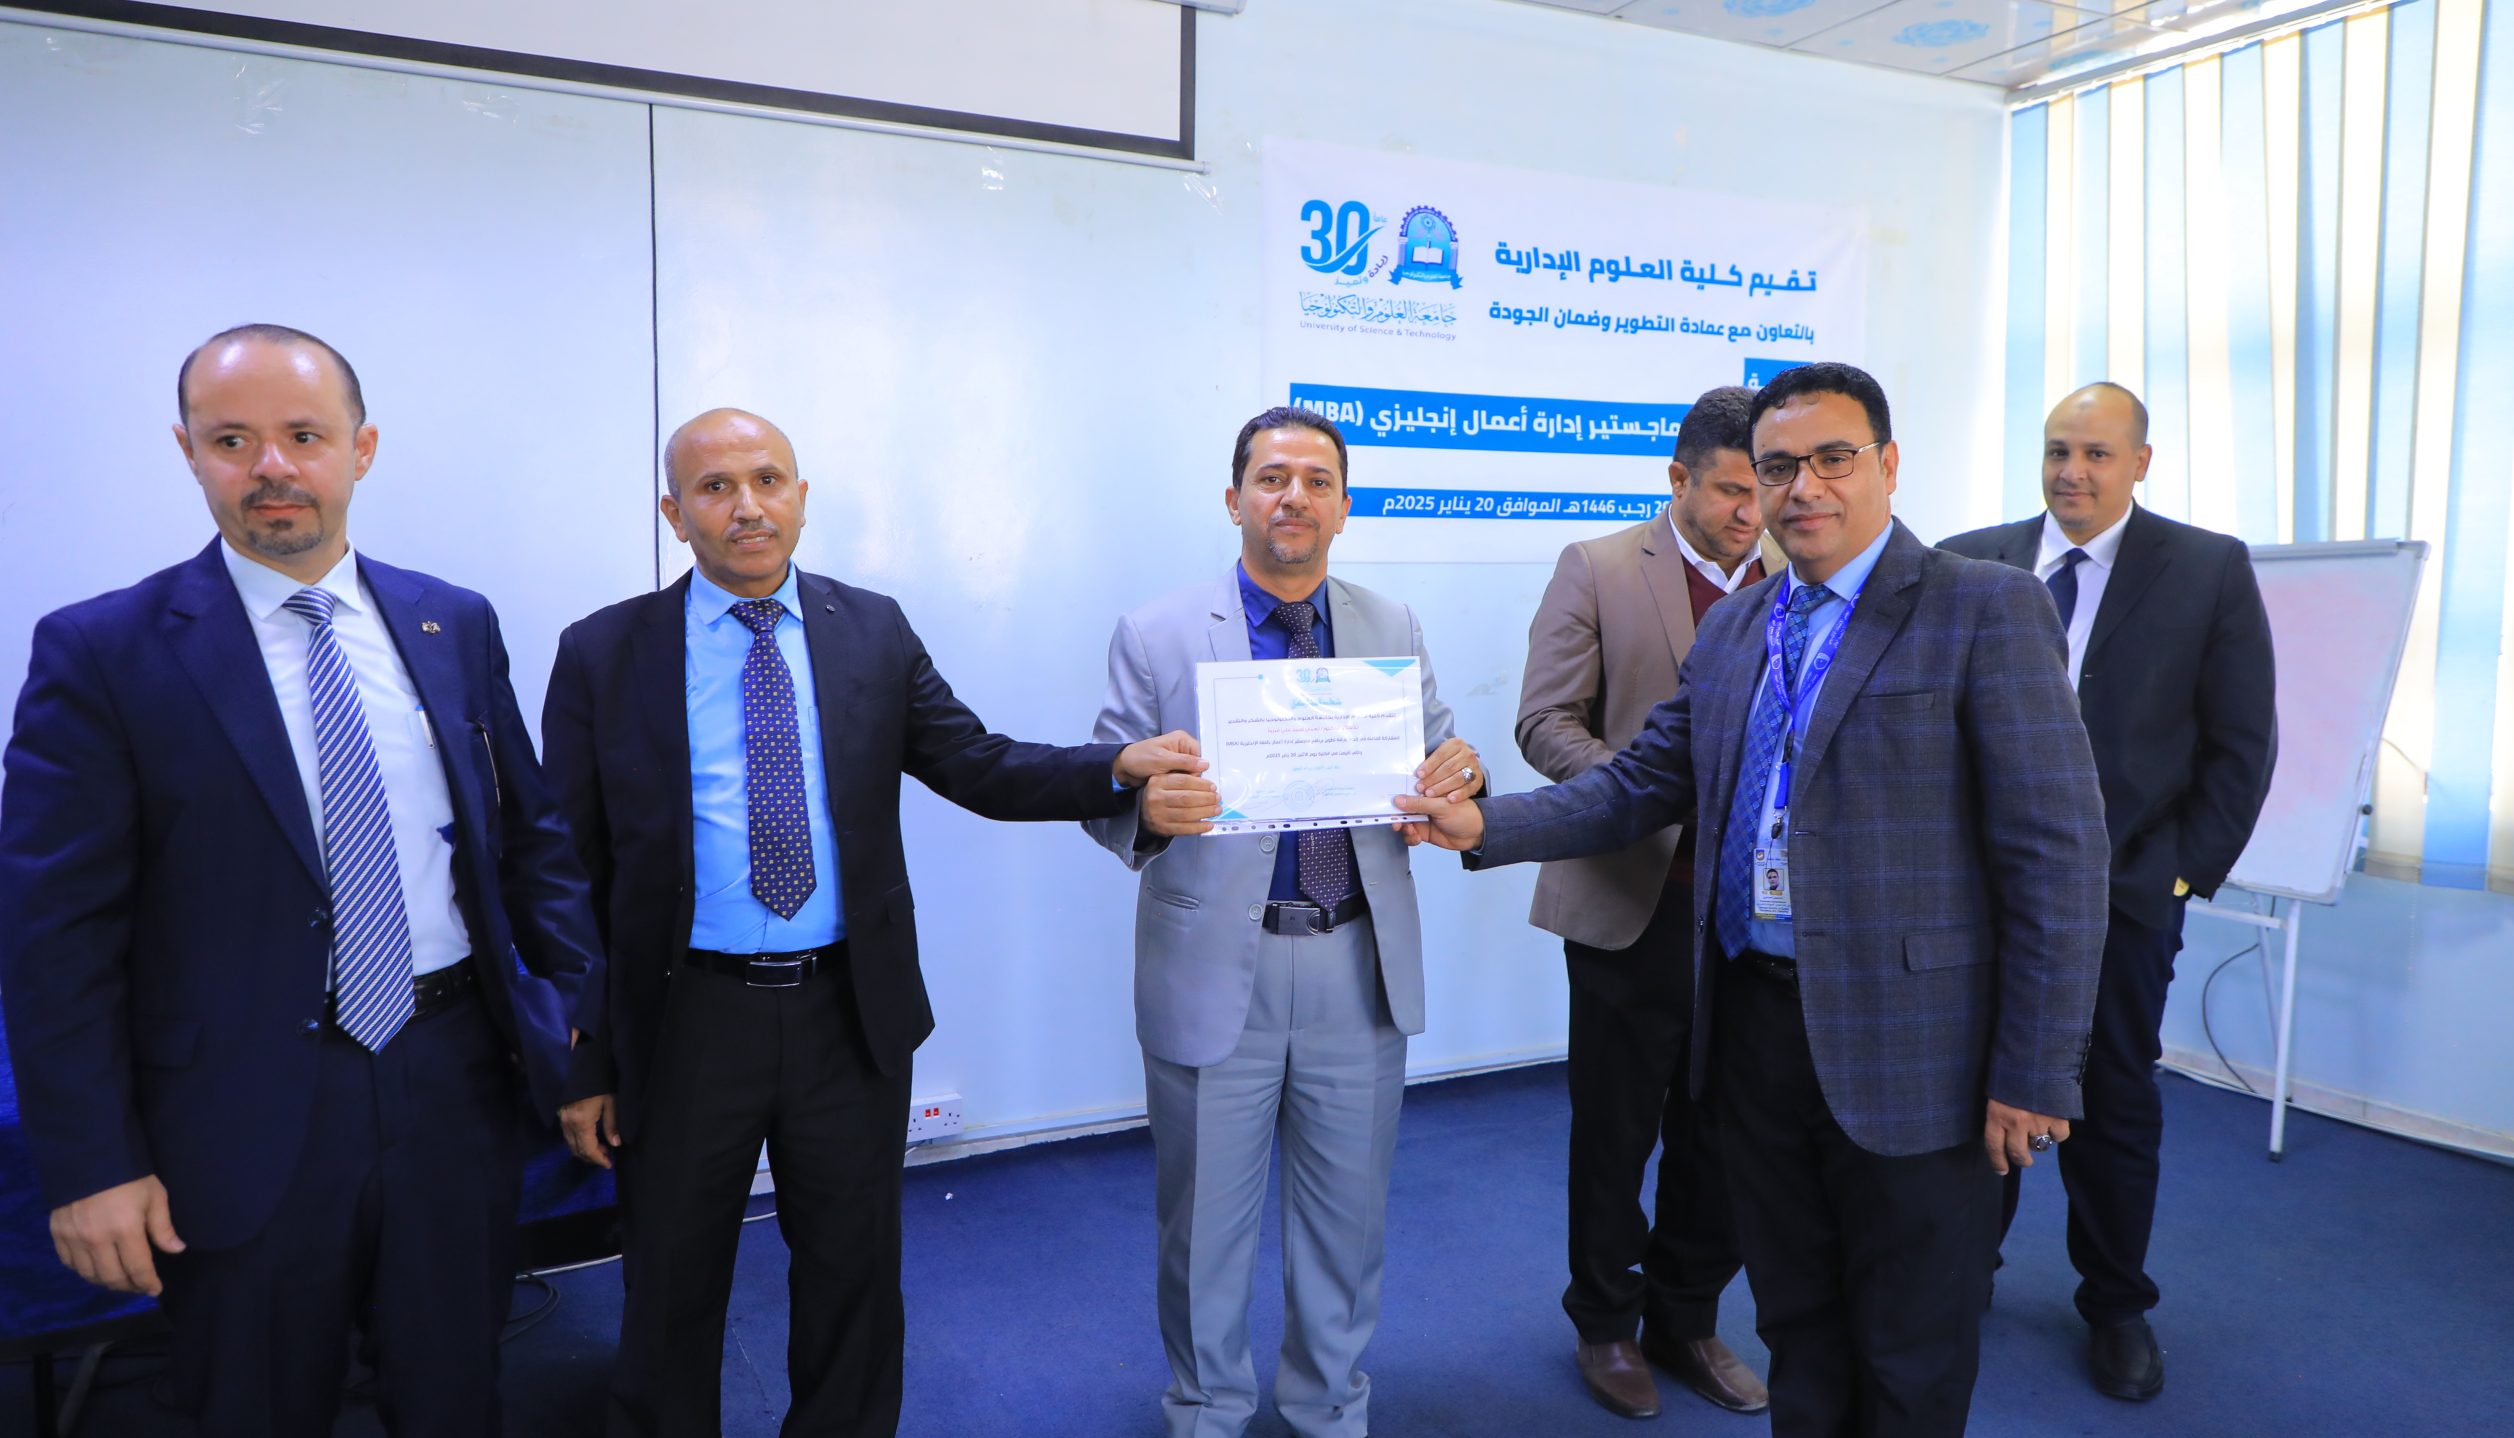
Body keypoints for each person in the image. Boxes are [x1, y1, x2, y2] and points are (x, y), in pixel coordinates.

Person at [1397, 363, 2110, 1438]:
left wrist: (2035, 1068)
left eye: (1833, 459)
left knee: (1911, 1346)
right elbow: (1642, 783)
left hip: (1917, 1049)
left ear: (1888, 465)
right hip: (1755, 1031)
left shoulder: (1983, 607)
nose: (1801, 487)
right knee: (1798, 1324)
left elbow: (2058, 854)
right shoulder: (1740, 628)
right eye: (1778, 467)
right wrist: (1486, 826)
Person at [541, 407, 1202, 1438]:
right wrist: (583, 1058)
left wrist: (1111, 766)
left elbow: (978, 764)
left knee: (852, 1276)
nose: (747, 506)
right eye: (715, 487)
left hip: (847, 1014)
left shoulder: (871, 630)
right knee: (669, 1284)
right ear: (674, 513)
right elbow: (568, 866)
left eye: (768, 479)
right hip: (681, 1021)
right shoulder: (604, 651)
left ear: (802, 497)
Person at [0, 324, 606, 1435]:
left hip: (452, 1079)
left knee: (454, 1392)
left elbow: (532, 841)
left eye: (304, 436)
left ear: (360, 449)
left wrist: (573, 1020)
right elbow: (55, 939)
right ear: (188, 451)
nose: (271, 466)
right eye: (232, 439)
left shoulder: (452, 620)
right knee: (258, 1403)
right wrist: (90, 1166)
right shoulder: (104, 652)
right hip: (237, 1111)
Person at [1084, 406, 1486, 1438]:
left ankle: (1328, 1410)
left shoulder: (1392, 625)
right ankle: (1207, 1411)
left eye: (1316, 480)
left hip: (1357, 958)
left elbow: (1440, 756)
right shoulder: (1158, 632)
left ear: (1344, 507)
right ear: (1235, 501)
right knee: (1203, 1228)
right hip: (1218, 962)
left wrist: (1460, 773)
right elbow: (1101, 790)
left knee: (1347, 1222)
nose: (1293, 497)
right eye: (1271, 479)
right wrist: (1144, 806)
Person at [1939, 381, 2276, 1401]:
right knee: (1968, 1084)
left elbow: (2241, 744)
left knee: (2111, 1097)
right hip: (1974, 888)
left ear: (2140, 462)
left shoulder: (2206, 569)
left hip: (2122, 892)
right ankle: (1963, 1271)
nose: (2071, 471)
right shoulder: (1969, 560)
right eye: (2057, 450)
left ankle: (2116, 1303)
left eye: (2094, 453)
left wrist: (2176, 874)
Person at [1512, 385, 1768, 1418]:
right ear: (1677, 479)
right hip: (1636, 896)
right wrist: (1640, 789)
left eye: (1765, 488)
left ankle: (1686, 1316)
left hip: (1759, 914)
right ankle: (1605, 1324)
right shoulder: (1601, 566)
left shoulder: (1799, 572)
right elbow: (1543, 721)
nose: (1751, 512)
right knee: (1617, 1131)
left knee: (1729, 1128)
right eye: (1731, 490)